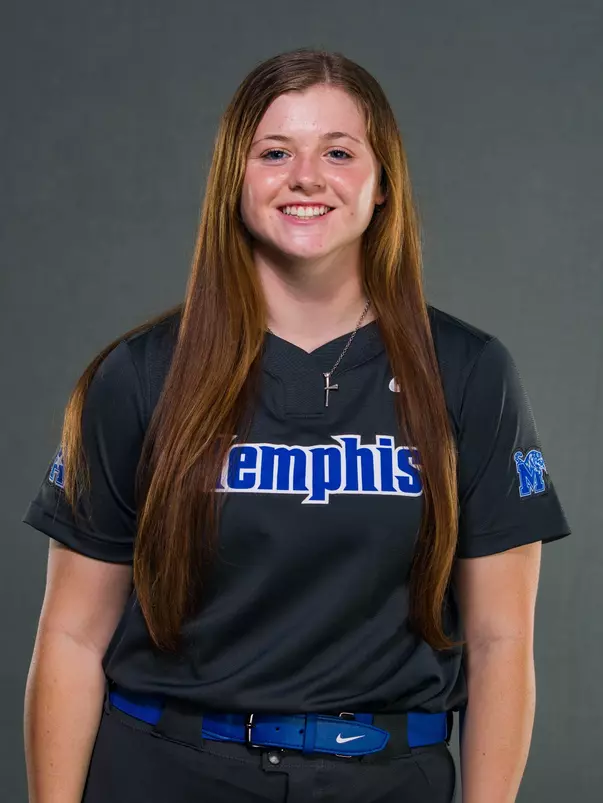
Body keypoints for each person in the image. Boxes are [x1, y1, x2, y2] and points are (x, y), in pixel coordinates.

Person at [22, 48, 571, 803]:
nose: (305, 176)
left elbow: (499, 641)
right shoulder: (139, 374)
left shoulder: (467, 371)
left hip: (384, 780)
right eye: (274, 151)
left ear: (381, 185)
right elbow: (72, 636)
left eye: (338, 152)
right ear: (234, 180)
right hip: (165, 771)